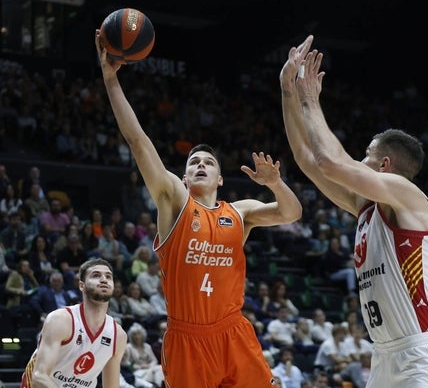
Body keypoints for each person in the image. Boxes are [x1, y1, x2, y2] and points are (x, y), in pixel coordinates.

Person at [96, 30, 302, 388]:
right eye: (194, 162)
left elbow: (292, 213)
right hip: (186, 338)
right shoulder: (174, 200)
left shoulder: (240, 211)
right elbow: (138, 141)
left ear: (220, 178)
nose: (201, 165)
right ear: (184, 175)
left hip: (233, 331)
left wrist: (275, 184)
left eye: (209, 162)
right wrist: (111, 80)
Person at [280, 35, 428, 387]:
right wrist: (288, 89)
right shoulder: (366, 208)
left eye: (365, 153)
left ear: (384, 163)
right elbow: (306, 160)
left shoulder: (409, 197)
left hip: (424, 354)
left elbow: (331, 162)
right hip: (384, 355)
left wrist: (310, 99)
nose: (359, 160)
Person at [20, 258, 127, 388]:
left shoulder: (118, 335)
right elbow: (39, 377)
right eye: (96, 275)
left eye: (108, 277)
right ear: (81, 286)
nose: (104, 279)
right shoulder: (61, 320)